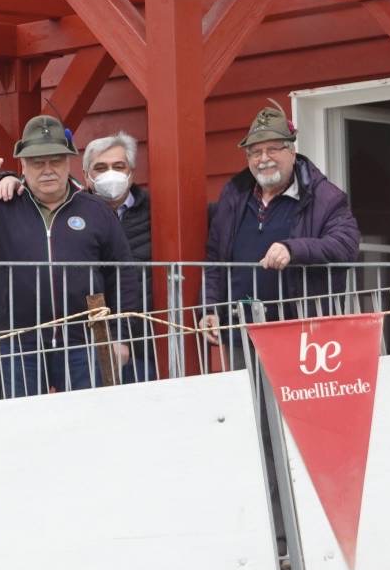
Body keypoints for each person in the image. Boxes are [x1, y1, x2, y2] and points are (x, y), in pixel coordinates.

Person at [0, 116, 133, 396]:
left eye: (55, 160)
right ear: (23, 166)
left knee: (88, 423)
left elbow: (122, 273)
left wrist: (121, 336)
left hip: (86, 341)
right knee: (25, 427)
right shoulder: (2, 205)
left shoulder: (96, 210)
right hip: (20, 343)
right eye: (37, 162)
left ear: (68, 162)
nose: (47, 170)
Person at [197, 100, 361, 361]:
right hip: (242, 332)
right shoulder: (234, 195)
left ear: (292, 152)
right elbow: (216, 260)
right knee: (250, 402)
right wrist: (210, 308)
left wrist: (292, 249)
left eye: (273, 149)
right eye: (255, 152)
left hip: (302, 332)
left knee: (298, 402)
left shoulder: (324, 196)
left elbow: (346, 245)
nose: (263, 159)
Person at [82, 132, 157, 383]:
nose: (110, 173)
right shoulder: (73, 214)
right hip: (88, 341)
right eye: (100, 168)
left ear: (131, 173)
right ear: (87, 176)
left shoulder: (156, 211)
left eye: (118, 166)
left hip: (148, 339)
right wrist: (4, 180)